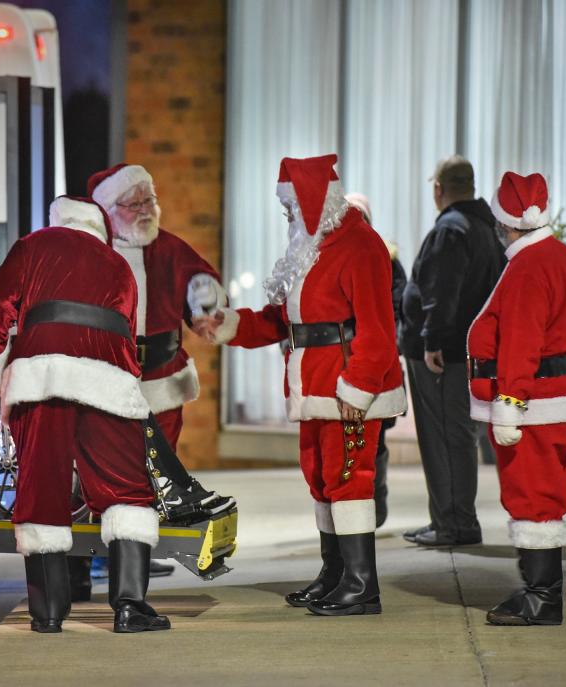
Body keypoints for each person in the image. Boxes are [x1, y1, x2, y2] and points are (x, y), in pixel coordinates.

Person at [195, 155, 406, 616]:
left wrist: (359, 388)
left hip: (346, 388)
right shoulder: (311, 250)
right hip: (314, 386)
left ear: (314, 204)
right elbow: (282, 322)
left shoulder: (361, 247)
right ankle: (335, 575)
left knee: (350, 478)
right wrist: (228, 324)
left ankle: (361, 584)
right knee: (321, 477)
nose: (288, 217)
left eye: (292, 209)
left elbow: (377, 328)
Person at [0, 195, 171, 634]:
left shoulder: (33, 246)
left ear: (57, 221)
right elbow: (128, 328)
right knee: (127, 489)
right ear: (99, 227)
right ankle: (129, 608)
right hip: (108, 381)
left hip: (41, 378)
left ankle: (47, 615)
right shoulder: (118, 263)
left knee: (41, 486)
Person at [468, 171, 566, 625]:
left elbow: (520, 342)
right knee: (544, 497)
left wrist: (509, 405)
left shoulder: (528, 266)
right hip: (554, 396)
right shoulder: (559, 257)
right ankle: (538, 591)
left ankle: (543, 597)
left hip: (533, 402)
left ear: (506, 220)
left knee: (532, 497)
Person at [88, 163, 228, 506]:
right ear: (109, 211)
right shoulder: (93, 252)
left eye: (149, 200)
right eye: (134, 205)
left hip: (162, 375)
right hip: (107, 375)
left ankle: (146, 547)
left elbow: (203, 284)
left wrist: (205, 307)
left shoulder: (170, 248)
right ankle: (108, 552)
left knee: (162, 469)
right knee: (111, 467)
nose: (145, 211)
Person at [400, 155, 505, 547]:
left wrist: (432, 342)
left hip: (445, 355)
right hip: (469, 352)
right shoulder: (486, 227)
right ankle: (456, 520)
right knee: (458, 435)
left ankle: (453, 524)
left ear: (439, 189)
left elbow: (441, 292)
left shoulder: (451, 229)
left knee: (443, 436)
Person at [344, 192, 407, 528]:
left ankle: (375, 497)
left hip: (376, 362)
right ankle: (357, 503)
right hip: (344, 363)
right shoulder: (333, 257)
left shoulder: (385, 258)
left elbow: (396, 310)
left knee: (376, 436)